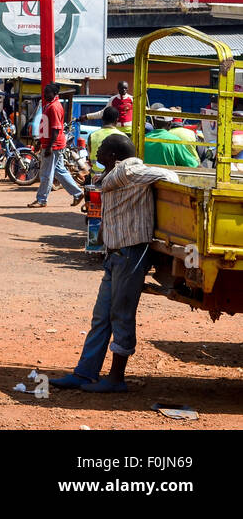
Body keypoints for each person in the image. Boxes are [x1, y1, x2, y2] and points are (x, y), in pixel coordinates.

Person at [51, 132, 179, 392]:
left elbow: (170, 177)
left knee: (120, 316)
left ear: (113, 156)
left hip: (130, 254)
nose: (96, 154)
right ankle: (85, 373)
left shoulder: (128, 172)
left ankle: (116, 379)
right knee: (102, 316)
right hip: (116, 255)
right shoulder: (115, 175)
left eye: (102, 150)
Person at [29, 82, 84, 208]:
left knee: (46, 174)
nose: (45, 94)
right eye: (44, 92)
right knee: (59, 171)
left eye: (47, 92)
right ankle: (77, 193)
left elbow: (55, 129)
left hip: (53, 145)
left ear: (54, 94)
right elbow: (47, 127)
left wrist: (48, 146)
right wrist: (40, 142)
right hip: (53, 144)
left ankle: (42, 200)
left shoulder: (54, 107)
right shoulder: (50, 105)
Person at [87, 105, 124, 175]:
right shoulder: (123, 137)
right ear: (117, 120)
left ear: (102, 119)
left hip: (95, 177)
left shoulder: (92, 136)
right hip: (115, 179)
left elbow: (89, 159)